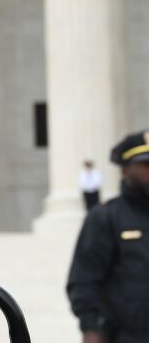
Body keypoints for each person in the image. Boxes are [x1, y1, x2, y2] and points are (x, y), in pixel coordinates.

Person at [67, 130, 149, 343]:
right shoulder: (105, 217)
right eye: (146, 165)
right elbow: (84, 280)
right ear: (125, 169)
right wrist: (91, 329)